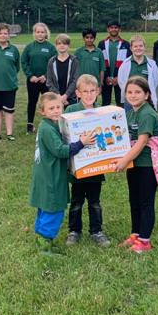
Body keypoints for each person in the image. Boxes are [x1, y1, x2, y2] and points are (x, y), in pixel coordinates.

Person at [29, 92, 95, 255]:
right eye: (51, 108)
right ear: (42, 112)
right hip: (50, 176)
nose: (56, 111)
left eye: (58, 107)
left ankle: (43, 240)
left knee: (46, 206)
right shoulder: (47, 129)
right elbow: (61, 150)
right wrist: (81, 143)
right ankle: (44, 244)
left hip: (47, 173)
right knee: (53, 207)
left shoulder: (52, 125)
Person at [114, 76, 158, 254]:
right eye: (129, 92)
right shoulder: (130, 112)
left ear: (147, 94)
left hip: (147, 164)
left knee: (145, 202)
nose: (133, 95)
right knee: (134, 200)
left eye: (137, 92)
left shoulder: (147, 113)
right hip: (134, 163)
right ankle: (135, 234)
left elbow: (142, 142)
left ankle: (145, 241)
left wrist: (124, 160)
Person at [63, 74, 109, 247]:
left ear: (97, 91)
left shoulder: (102, 113)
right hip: (77, 165)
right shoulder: (70, 111)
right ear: (78, 93)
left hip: (95, 165)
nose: (89, 95)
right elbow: (64, 136)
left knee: (95, 200)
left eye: (92, 91)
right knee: (76, 200)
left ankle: (96, 231)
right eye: (85, 91)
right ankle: (74, 230)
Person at [21, 22, 55, 133]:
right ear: (34, 33)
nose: (40, 34)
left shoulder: (50, 47)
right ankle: (30, 126)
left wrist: (46, 76)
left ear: (46, 33)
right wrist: (30, 76)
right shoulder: (29, 47)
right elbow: (24, 61)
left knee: (49, 102)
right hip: (33, 81)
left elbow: (54, 63)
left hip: (46, 81)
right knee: (32, 101)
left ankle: (51, 123)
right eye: (38, 32)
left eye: (42, 32)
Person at [117, 35, 158, 105]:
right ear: (131, 48)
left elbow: (155, 82)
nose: (138, 48)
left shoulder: (152, 64)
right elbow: (121, 82)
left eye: (140, 46)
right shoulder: (125, 64)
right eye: (135, 46)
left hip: (146, 100)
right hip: (130, 100)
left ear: (144, 47)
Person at [100, 21, 130, 107]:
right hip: (107, 78)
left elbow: (128, 63)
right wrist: (106, 77)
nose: (114, 29)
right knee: (105, 103)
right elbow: (101, 62)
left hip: (120, 78)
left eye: (116, 27)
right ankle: (105, 120)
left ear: (119, 29)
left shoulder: (126, 44)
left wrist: (119, 77)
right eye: (111, 27)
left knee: (121, 103)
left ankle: (122, 120)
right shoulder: (102, 44)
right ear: (108, 29)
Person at [45, 33, 79, 106]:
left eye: (64, 43)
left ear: (69, 45)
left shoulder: (74, 61)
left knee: (71, 117)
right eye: (59, 43)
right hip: (56, 97)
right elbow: (49, 81)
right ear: (56, 46)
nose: (62, 45)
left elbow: (75, 80)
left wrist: (66, 95)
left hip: (71, 98)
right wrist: (58, 96)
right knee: (57, 117)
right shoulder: (51, 61)